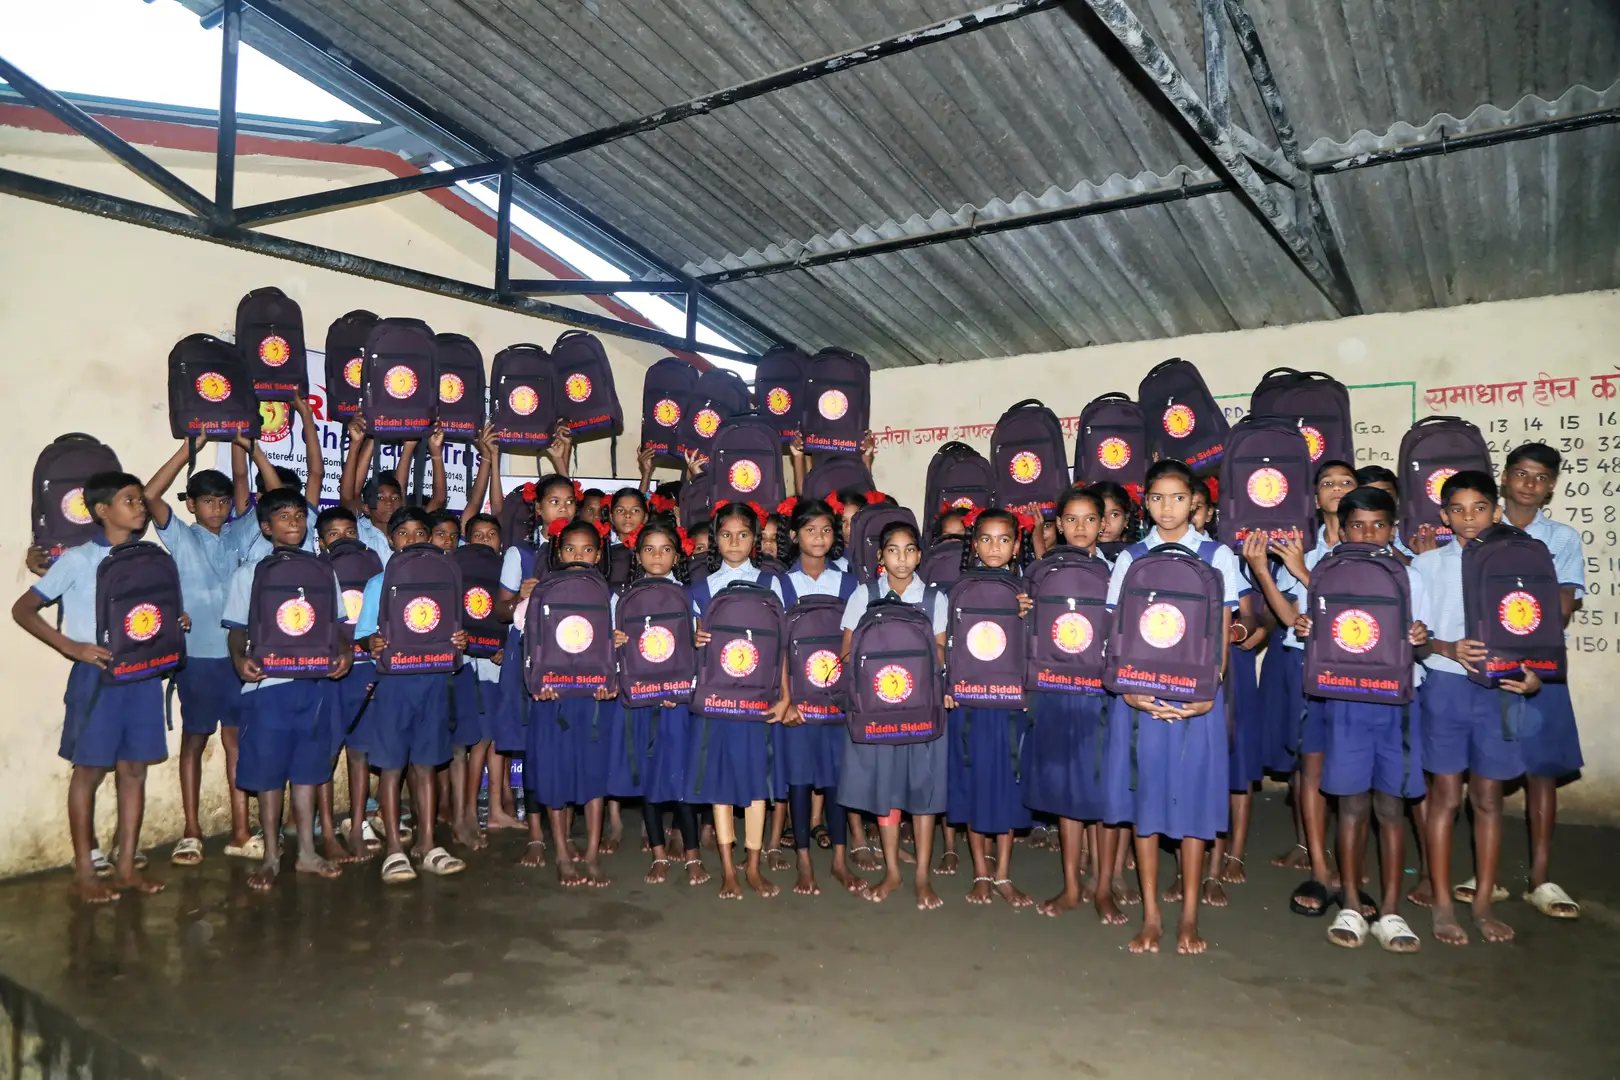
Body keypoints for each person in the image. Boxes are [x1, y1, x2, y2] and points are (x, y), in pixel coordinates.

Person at [1102, 459, 1247, 955]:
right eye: (1158, 498)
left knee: (1194, 804)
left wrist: (1210, 691)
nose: (1168, 508)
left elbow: (1221, 634)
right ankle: (1151, 917)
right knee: (1144, 805)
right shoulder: (1130, 558)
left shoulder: (1217, 555)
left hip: (1197, 700)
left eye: (1178, 498)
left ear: (1195, 502)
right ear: (1145, 502)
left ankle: (1188, 918)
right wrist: (1126, 691)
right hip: (1139, 698)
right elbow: (1116, 632)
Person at [13, 470, 173, 902]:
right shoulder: (79, 559)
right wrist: (71, 646)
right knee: (89, 771)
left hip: (143, 675)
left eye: (140, 500)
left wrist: (175, 621)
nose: (140, 507)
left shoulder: (149, 558)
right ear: (102, 510)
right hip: (97, 678)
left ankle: (126, 868)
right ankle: (85, 870)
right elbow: (23, 609)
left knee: (134, 770)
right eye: (129, 500)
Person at [1293, 485, 1431, 951]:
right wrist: (1306, 628)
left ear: (1393, 529)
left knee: (1391, 808)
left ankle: (1390, 911)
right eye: (1358, 525)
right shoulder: (1327, 573)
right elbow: (1318, 632)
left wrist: (1421, 636)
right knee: (1351, 806)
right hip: (1346, 701)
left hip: (1397, 704)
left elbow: (1427, 643)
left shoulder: (1411, 576)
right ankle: (1351, 904)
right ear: (1341, 529)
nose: (1368, 534)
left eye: (1378, 525)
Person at [1412, 470, 1539, 945]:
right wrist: (1446, 647)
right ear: (1444, 516)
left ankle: (1483, 901)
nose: (1469, 518)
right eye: (1458, 510)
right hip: (1445, 689)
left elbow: (1536, 627)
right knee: (1445, 797)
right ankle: (1443, 903)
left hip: (1500, 690)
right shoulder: (1426, 566)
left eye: (1480, 508)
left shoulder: (1521, 562)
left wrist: (1535, 674)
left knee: (1487, 798)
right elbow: (1413, 640)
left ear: (1497, 511)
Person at [222, 486, 352, 891]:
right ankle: (271, 856)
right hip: (268, 686)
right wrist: (239, 660)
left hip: (312, 684)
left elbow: (338, 625)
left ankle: (307, 853)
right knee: (268, 773)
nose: (294, 522)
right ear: (265, 527)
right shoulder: (249, 573)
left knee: (308, 770)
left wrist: (345, 652)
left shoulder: (323, 571)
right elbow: (236, 629)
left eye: (299, 515)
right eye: (283, 516)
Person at [1248, 459, 1357, 908]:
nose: (1337, 489)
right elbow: (1291, 617)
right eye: (1328, 483)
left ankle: (1350, 866)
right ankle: (1319, 867)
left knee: (1350, 768)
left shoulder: (1368, 545)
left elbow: (1355, 612)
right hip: (1306, 664)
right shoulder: (1301, 546)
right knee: (1309, 765)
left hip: (1356, 673)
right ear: (1314, 496)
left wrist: (1302, 572)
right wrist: (1263, 569)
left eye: (1346, 482)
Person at [143, 438, 248, 867]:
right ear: (191, 505)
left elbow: (243, 479)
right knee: (194, 739)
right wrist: (194, 445)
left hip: (236, 658)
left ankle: (241, 830)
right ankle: (191, 830)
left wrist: (242, 443)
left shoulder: (239, 535)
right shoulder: (182, 538)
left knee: (236, 741)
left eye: (223, 502)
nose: (217, 509)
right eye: (207, 501)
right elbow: (150, 494)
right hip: (197, 659)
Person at [837, 519, 949, 910]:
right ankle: (893, 872)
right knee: (885, 791)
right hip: (878, 709)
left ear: (919, 556)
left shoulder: (934, 598)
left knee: (924, 789)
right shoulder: (863, 594)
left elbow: (941, 654)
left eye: (909, 550)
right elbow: (847, 652)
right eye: (893, 550)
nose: (901, 559)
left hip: (922, 709)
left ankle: (922, 876)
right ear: (880, 557)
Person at [353, 506, 468, 884]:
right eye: (403, 533)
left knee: (426, 765)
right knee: (391, 767)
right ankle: (394, 851)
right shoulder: (380, 582)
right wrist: (372, 642)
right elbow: (363, 635)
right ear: (391, 540)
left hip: (434, 682)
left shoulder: (445, 576)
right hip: (394, 685)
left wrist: (460, 639)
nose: (413, 539)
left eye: (420, 533)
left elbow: (454, 629)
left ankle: (429, 844)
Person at [1495, 443, 1584, 919]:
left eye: (1541, 477)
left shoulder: (1562, 538)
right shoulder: (1481, 528)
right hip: (1489, 663)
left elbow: (1563, 607)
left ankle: (1541, 878)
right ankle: (1485, 875)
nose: (1529, 484)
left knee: (1541, 772)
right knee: (1487, 771)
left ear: (1551, 486)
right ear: (1505, 477)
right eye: (1521, 473)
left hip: (1540, 663)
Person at [689, 501, 792, 900]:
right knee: (720, 780)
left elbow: (783, 646)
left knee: (756, 780)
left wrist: (785, 695)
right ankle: (728, 869)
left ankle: (752, 866)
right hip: (717, 701)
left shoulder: (773, 583)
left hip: (759, 701)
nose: (735, 542)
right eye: (726, 535)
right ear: (715, 539)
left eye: (743, 535)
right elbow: (688, 646)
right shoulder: (701, 588)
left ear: (756, 540)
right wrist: (695, 639)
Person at [1024, 487, 1111, 918]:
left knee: (1102, 789)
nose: (1080, 527)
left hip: (1101, 694)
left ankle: (1104, 884)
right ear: (1058, 525)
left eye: (1089, 519)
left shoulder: (1118, 571)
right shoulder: (1040, 573)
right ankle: (1072, 885)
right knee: (1066, 792)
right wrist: (1024, 610)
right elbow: (1030, 632)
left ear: (1104, 524)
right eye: (1071, 519)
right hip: (1055, 691)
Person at [946, 508, 1036, 909]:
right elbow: (946, 643)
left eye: (1004, 539)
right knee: (974, 782)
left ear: (1016, 546)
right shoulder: (958, 590)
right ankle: (981, 871)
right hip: (970, 704)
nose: (994, 547)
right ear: (974, 544)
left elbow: (1036, 647)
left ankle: (1003, 873)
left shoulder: (1026, 591)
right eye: (986, 539)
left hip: (1010, 705)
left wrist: (1029, 616)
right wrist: (948, 686)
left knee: (1007, 785)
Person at [608, 515, 705, 885]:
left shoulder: (689, 596)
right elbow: (611, 653)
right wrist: (615, 643)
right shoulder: (622, 598)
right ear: (637, 555)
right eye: (649, 549)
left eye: (666, 549)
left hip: (677, 704)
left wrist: (682, 688)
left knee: (681, 777)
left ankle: (693, 856)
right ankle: (659, 855)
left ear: (677, 556)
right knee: (649, 778)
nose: (657, 556)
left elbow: (699, 651)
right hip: (641, 702)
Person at [521, 518, 616, 887]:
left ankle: (591, 854)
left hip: (594, 701)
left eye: (587, 549)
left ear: (598, 554)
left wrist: (611, 682)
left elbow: (615, 647)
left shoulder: (607, 594)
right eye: (571, 549)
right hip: (553, 699)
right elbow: (531, 643)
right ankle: (561, 852)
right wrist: (537, 684)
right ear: (558, 553)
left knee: (594, 776)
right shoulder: (542, 591)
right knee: (554, 775)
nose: (579, 556)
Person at [778, 497, 861, 896]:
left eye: (826, 530)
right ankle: (804, 861)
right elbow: (777, 648)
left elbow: (856, 644)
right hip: (798, 701)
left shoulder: (849, 583)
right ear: (794, 535)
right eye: (810, 530)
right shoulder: (779, 584)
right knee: (799, 779)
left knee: (836, 779)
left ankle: (840, 861)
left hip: (836, 700)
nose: (819, 537)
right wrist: (786, 699)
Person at [495, 473, 578, 868]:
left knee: (569, 743)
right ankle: (535, 835)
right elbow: (501, 610)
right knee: (531, 744)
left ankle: (567, 832)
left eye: (569, 502)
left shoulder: (585, 548)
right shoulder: (521, 554)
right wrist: (520, 598)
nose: (563, 508)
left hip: (574, 657)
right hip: (528, 657)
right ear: (539, 508)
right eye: (554, 502)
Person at [312, 505, 379, 864]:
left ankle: (356, 823)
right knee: (326, 751)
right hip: (329, 671)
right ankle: (326, 830)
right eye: (334, 535)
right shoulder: (315, 569)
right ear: (321, 542)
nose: (343, 540)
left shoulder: (373, 564)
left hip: (365, 668)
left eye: (349, 532)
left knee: (360, 750)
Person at [226, 396, 324, 565]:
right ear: (259, 497)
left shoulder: (303, 519)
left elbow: (316, 473)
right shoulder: (249, 518)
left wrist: (307, 415)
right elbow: (240, 475)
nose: (288, 507)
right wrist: (240, 423)